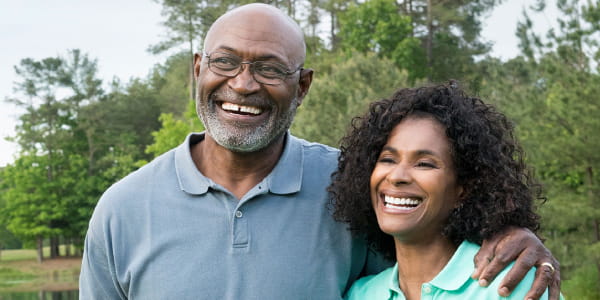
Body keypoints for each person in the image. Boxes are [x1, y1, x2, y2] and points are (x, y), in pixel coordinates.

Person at [79, 3, 560, 299]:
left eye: (270, 69)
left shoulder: (354, 184)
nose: (242, 85)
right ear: (198, 69)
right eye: (225, 62)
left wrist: (512, 234)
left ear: (303, 85)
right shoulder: (122, 210)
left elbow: (433, 239)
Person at [330, 82, 562, 299]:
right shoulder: (362, 294)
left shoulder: (515, 285)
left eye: (424, 164)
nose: (397, 176)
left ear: (464, 188)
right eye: (388, 159)